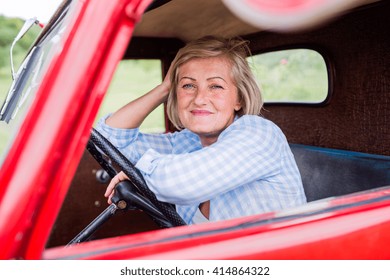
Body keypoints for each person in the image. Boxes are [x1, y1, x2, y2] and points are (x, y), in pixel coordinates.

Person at [96, 36, 306, 225]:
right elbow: (108, 138)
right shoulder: (187, 143)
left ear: (239, 99)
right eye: (188, 86)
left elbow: (180, 184)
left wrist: (138, 174)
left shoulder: (259, 134)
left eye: (215, 86)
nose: (199, 99)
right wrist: (165, 88)